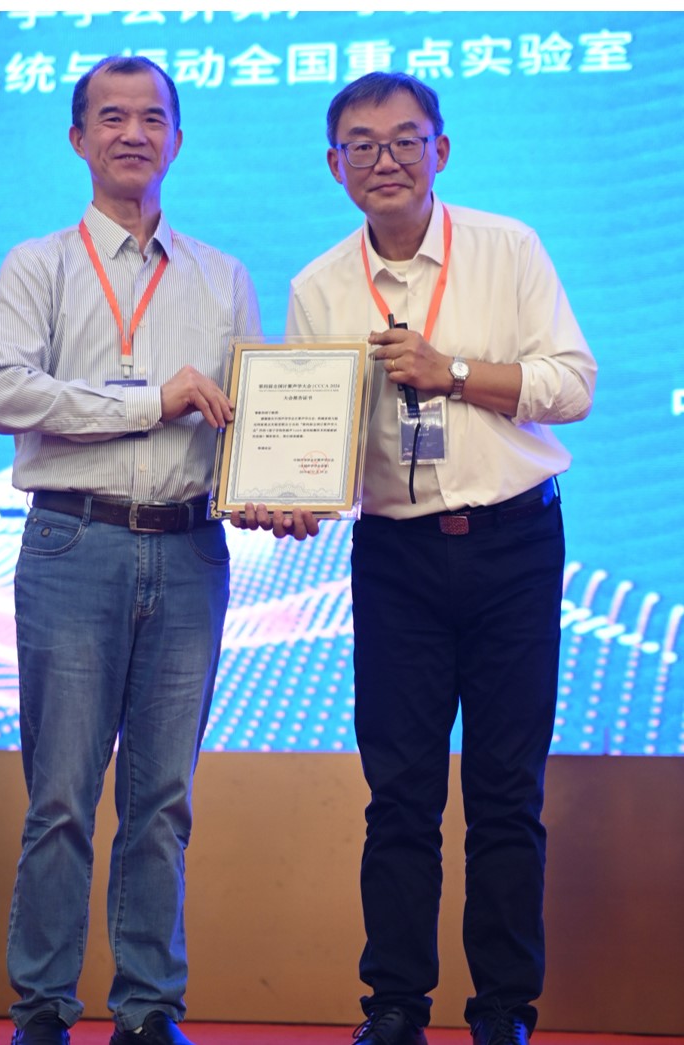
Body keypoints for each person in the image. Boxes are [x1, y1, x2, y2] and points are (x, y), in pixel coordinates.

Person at [257, 71, 594, 1045]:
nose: (386, 160)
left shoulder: (507, 247)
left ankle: (502, 1009)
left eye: (405, 140)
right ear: (334, 167)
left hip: (513, 542)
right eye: (361, 145)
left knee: (504, 791)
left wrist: (453, 374)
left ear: (440, 150)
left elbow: (572, 384)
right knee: (399, 792)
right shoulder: (318, 286)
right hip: (395, 556)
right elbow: (313, 436)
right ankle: (396, 1005)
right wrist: (290, 496)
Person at [0, 55, 257, 1045]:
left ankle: (146, 1008)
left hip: (189, 549)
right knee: (60, 795)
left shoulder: (222, 277)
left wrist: (276, 490)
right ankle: (43, 1008)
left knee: (163, 798)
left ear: (177, 138)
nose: (132, 133)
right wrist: (150, 401)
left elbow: (247, 421)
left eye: (151, 118)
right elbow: (6, 393)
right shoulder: (38, 264)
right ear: (78, 139)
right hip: (73, 541)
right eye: (111, 117)